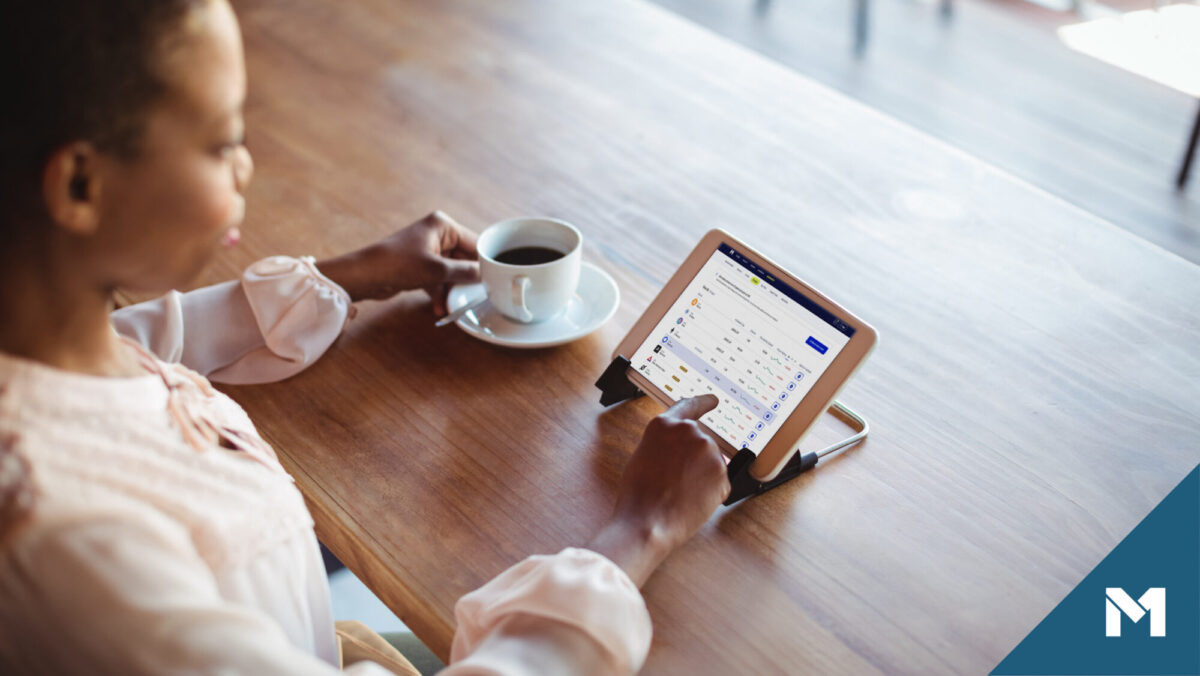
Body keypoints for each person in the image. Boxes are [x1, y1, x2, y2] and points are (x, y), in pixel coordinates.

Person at [0, 0, 731, 674]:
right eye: (223, 142)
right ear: (79, 187)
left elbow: (145, 339)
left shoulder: (46, 344)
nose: (247, 163)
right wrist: (639, 532)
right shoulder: (66, 549)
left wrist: (350, 276)